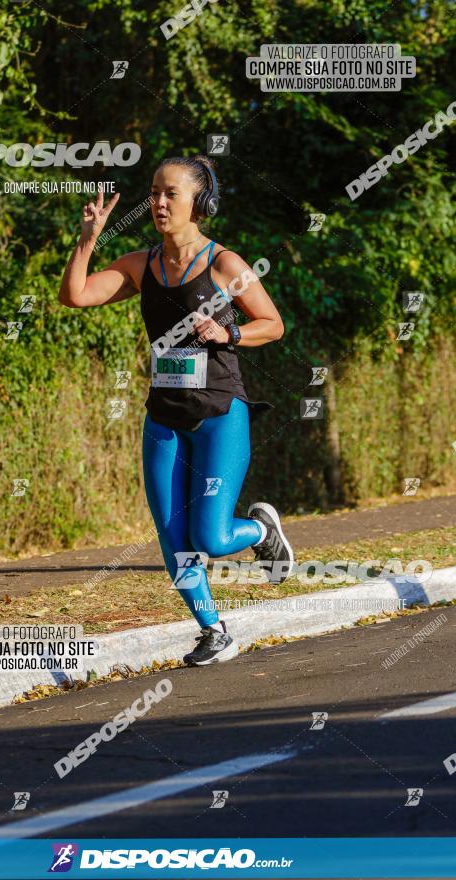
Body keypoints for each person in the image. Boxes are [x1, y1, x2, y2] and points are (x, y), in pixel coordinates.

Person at [59, 154, 294, 666]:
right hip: (163, 417)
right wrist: (87, 239)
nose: (159, 203)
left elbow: (272, 324)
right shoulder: (141, 266)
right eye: (154, 192)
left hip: (219, 413)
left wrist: (229, 331)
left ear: (199, 203)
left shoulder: (224, 265)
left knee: (209, 536)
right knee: (171, 535)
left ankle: (260, 530)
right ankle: (213, 629)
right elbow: (75, 295)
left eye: (171, 194)